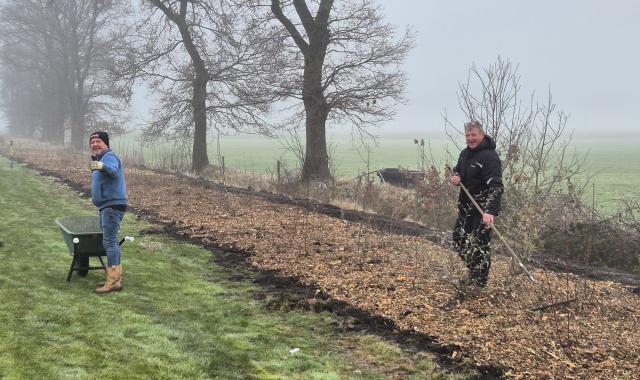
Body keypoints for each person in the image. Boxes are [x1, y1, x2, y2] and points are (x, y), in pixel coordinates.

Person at [450, 121, 503, 287]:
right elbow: (458, 170)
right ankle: (474, 271)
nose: (470, 138)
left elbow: (496, 186)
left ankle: (480, 282)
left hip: (483, 210)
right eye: (468, 135)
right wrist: (456, 178)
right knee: (458, 240)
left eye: (474, 135)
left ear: (482, 134)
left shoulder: (490, 157)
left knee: (481, 245)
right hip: (466, 207)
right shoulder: (465, 153)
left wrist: (490, 211)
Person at [89, 131, 128, 294]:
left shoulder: (109, 157)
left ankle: (112, 282)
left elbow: (112, 171)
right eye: (92, 142)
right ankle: (115, 279)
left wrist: (101, 166)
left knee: (110, 242)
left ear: (106, 143)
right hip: (108, 205)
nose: (95, 144)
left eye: (98, 141)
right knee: (111, 242)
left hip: (112, 205)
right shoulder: (101, 158)